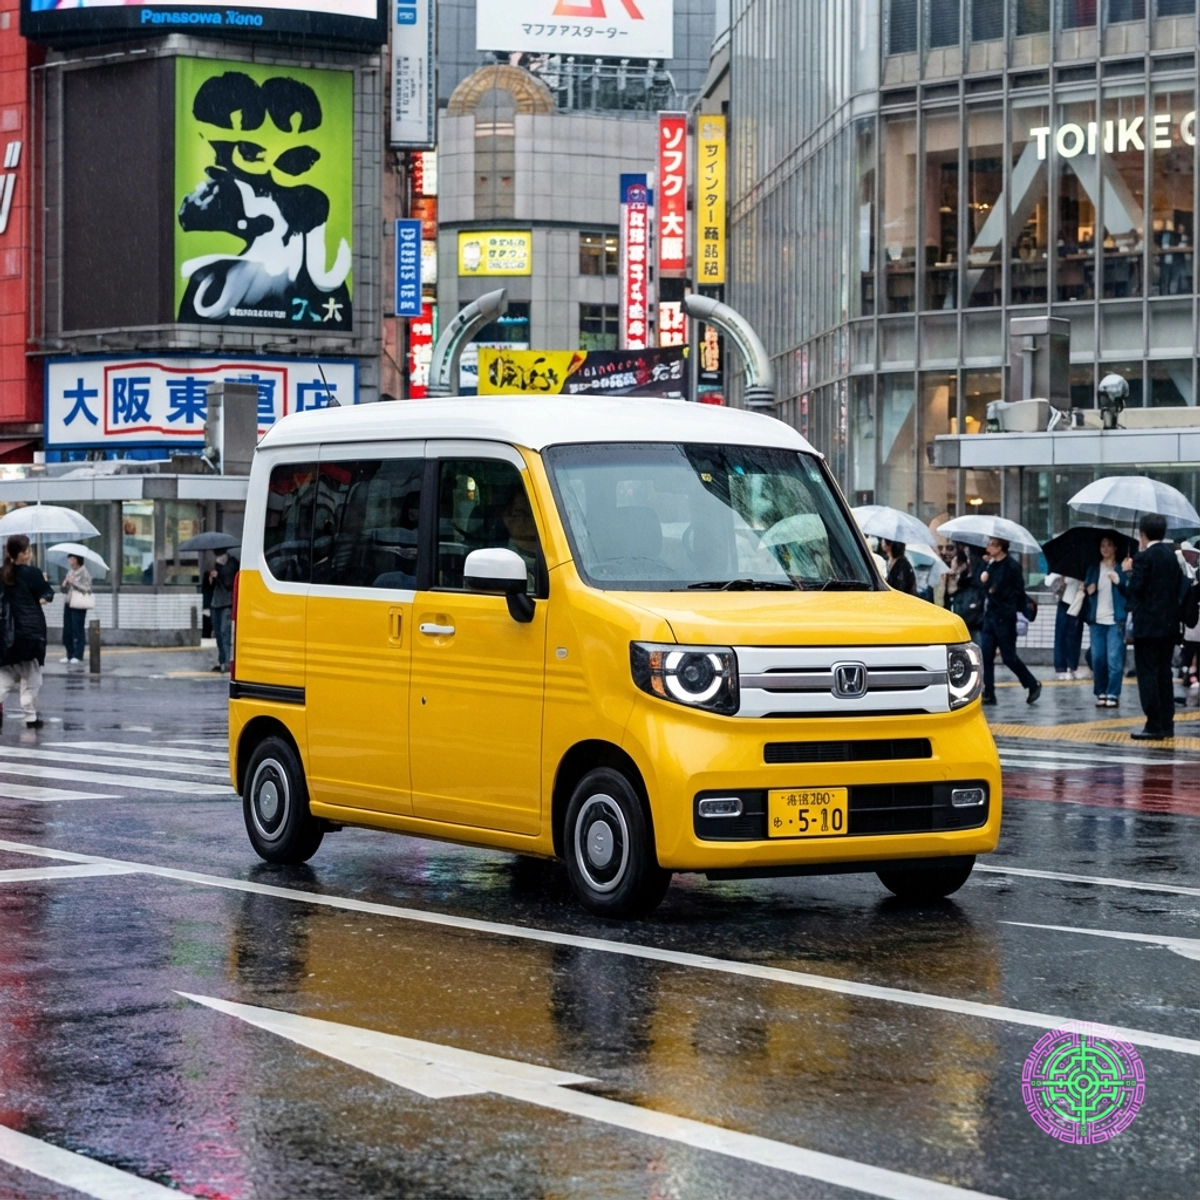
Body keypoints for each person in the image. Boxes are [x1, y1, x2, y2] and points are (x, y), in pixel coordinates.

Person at [1123, 513, 1182, 740]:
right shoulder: (1171, 557)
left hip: (1147, 628)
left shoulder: (1143, 558)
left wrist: (1127, 573)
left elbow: (1134, 592)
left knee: (1148, 675)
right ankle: (1167, 724)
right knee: (1164, 674)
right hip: (1169, 626)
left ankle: (1153, 724)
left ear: (1142, 533)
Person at [977, 536, 1041, 705]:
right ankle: (989, 692)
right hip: (990, 616)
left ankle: (1032, 684)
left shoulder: (1012, 566)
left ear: (1001, 547)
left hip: (1005, 617)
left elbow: (1018, 591)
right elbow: (981, 586)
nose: (988, 548)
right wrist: (985, 577)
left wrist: (996, 590)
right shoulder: (989, 564)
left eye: (992, 545)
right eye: (989, 544)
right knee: (986, 654)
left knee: (1008, 657)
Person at [0, 534, 55, 728]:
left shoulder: (2, 573)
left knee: (6, 675)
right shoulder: (33, 573)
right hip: (30, 634)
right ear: (24, 553)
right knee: (32, 677)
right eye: (29, 550)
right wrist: (43, 582)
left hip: (6, 634)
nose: (30, 553)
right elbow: (47, 595)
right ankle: (31, 717)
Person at [1084, 537, 1129, 708]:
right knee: (1097, 659)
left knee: (1114, 658)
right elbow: (1088, 589)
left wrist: (1119, 580)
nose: (1105, 548)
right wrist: (1089, 588)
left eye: (1109, 545)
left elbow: (1128, 589)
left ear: (1115, 548)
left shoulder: (1121, 568)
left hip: (1115, 620)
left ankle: (1113, 693)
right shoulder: (1094, 568)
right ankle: (1100, 692)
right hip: (1096, 620)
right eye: (1102, 545)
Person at [1049, 573, 1086, 680]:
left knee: (1075, 636)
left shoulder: (1084, 568)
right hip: (1065, 601)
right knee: (1061, 635)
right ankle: (1061, 668)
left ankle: (1072, 667)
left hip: (1078, 601)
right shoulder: (1066, 569)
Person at [208, 549, 239, 674]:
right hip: (216, 602)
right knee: (218, 634)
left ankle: (226, 662)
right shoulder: (216, 565)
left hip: (227, 603)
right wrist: (211, 578)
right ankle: (221, 661)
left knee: (224, 632)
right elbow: (209, 587)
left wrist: (219, 572)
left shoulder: (232, 563)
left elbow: (229, 583)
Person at [59, 553, 92, 665]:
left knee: (77, 629)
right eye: (69, 559)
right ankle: (69, 654)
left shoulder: (84, 572)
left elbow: (87, 588)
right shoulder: (70, 572)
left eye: (72, 559)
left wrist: (74, 582)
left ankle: (78, 655)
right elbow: (64, 590)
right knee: (67, 630)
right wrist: (64, 584)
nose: (70, 562)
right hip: (68, 602)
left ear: (78, 560)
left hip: (79, 604)